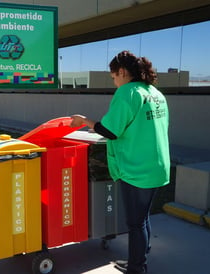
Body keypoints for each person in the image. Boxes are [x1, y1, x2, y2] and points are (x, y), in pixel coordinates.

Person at [70, 50, 170, 274]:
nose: (115, 82)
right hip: (156, 166)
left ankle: (137, 268)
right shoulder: (154, 93)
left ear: (123, 72)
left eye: (114, 77)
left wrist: (83, 120)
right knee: (142, 219)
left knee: (136, 223)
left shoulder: (128, 93)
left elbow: (109, 131)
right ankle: (139, 259)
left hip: (137, 168)